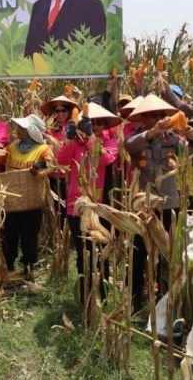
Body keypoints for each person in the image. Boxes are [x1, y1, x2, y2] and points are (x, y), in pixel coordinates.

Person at [124, 95, 183, 313]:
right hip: (144, 204)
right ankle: (135, 299)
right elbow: (128, 145)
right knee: (138, 252)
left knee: (167, 252)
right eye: (154, 116)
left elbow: (191, 151)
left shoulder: (174, 139)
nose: (160, 119)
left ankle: (163, 297)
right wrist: (152, 133)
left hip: (169, 203)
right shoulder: (137, 137)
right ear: (144, 119)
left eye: (162, 115)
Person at [58, 103, 119, 301]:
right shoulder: (76, 143)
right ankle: (86, 295)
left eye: (99, 123)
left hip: (99, 207)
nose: (96, 126)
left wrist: (92, 136)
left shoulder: (110, 143)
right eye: (92, 122)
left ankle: (102, 293)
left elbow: (105, 161)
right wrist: (68, 138)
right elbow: (62, 161)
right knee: (83, 252)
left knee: (100, 252)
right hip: (76, 207)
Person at [0, 115, 51, 275]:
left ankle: (28, 267)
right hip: (11, 199)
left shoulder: (42, 149)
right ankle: (8, 266)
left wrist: (40, 165)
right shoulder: (13, 147)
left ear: (31, 131)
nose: (17, 131)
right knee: (9, 234)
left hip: (32, 201)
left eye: (22, 128)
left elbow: (50, 163)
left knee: (29, 236)